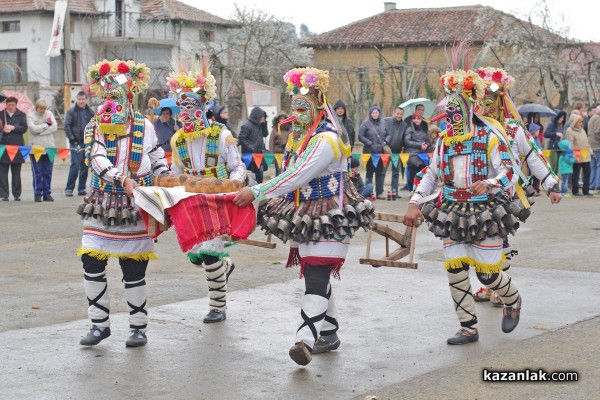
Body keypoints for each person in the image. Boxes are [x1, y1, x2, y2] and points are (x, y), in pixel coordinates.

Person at [233, 67, 373, 366]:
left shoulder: (326, 140)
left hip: (333, 213)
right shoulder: (300, 140)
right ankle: (330, 332)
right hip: (306, 213)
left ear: (318, 107)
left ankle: (304, 340)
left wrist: (258, 192)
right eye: (294, 108)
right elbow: (288, 175)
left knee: (316, 272)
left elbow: (297, 175)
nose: (296, 114)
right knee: (315, 271)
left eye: (303, 108)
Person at [404, 64, 522, 345]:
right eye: (449, 111)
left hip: (485, 211)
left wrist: (490, 184)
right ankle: (468, 327)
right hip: (452, 212)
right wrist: (414, 202)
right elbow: (431, 174)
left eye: (458, 110)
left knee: (488, 274)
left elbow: (509, 172)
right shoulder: (444, 143)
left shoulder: (490, 137)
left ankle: (513, 300)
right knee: (455, 271)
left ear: (470, 109)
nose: (453, 116)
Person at [76, 59, 170, 347]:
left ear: (130, 94)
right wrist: (121, 178)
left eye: (115, 97)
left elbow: (156, 159)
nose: (109, 103)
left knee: (134, 266)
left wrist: (168, 180)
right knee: (91, 258)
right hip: (102, 202)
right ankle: (99, 324)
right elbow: (96, 158)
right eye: (106, 97)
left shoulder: (145, 125)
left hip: (136, 204)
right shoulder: (95, 125)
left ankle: (138, 327)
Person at [471, 66, 560, 304]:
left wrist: (551, 184)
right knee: (479, 238)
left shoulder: (513, 129)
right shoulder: (472, 128)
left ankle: (502, 287)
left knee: (501, 238)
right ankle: (487, 284)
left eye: (492, 98)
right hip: (474, 195)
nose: (486, 103)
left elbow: (534, 155)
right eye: (482, 98)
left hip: (503, 194)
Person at [167, 56, 245, 323]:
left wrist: (234, 187)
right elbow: (175, 173)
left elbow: (237, 167)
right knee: (197, 257)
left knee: (210, 253)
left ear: (204, 106)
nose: (186, 112)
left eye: (191, 105)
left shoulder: (222, 135)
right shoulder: (177, 141)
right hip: (192, 201)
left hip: (218, 200)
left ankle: (217, 306)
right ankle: (226, 266)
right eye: (182, 106)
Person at [64, 91, 94, 197]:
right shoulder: (71, 111)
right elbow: (67, 126)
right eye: (79, 99)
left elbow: (94, 126)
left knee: (85, 165)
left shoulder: (90, 112)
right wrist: (73, 139)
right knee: (75, 165)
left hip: (87, 143)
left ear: (86, 100)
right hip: (75, 143)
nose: (81, 101)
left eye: (83, 99)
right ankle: (69, 188)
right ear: (77, 99)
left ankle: (81, 188)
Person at [27, 99, 57, 202]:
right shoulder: (30, 116)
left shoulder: (49, 114)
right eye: (40, 108)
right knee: (38, 172)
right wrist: (45, 125)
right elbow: (33, 129)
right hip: (36, 148)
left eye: (44, 108)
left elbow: (54, 127)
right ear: (36, 107)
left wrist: (41, 132)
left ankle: (47, 193)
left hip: (49, 147)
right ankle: (37, 193)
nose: (42, 111)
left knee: (48, 172)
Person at [358, 105, 389, 199]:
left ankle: (380, 192)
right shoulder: (365, 123)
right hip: (369, 152)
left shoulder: (383, 123)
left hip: (381, 153)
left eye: (376, 112)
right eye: (373, 113)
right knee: (369, 173)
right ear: (370, 114)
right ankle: (369, 193)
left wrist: (386, 141)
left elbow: (389, 134)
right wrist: (369, 143)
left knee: (380, 173)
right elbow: (360, 136)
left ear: (379, 113)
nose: (375, 114)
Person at [0, 96, 28, 201]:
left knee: (16, 172)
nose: (11, 107)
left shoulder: (22, 115)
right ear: (6, 105)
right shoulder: (1, 114)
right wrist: (3, 129)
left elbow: (24, 128)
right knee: (2, 173)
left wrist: (13, 128)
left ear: (16, 105)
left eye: (13, 105)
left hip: (17, 147)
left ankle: (16, 194)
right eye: (9, 105)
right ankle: (4, 194)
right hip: (3, 147)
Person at [566, 113, 593, 196]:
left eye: (581, 122)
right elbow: (570, 144)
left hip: (586, 155)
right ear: (574, 122)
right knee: (576, 174)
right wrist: (571, 155)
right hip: (576, 155)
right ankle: (575, 190)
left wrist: (590, 152)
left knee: (587, 173)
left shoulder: (583, 130)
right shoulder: (569, 131)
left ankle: (586, 190)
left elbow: (586, 142)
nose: (581, 124)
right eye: (579, 122)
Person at [239, 106, 268, 183]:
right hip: (249, 155)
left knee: (260, 176)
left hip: (258, 154)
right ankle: (249, 192)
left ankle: (258, 192)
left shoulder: (259, 125)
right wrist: (251, 148)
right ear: (257, 117)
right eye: (262, 117)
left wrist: (264, 124)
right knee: (249, 177)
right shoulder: (247, 126)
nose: (263, 120)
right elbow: (241, 139)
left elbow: (265, 134)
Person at [404, 107, 430, 191]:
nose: (416, 120)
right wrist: (419, 145)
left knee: (423, 174)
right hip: (413, 155)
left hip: (423, 155)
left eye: (418, 119)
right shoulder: (409, 129)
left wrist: (426, 145)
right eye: (415, 119)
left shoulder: (424, 129)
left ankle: (421, 190)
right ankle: (412, 189)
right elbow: (407, 141)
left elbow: (428, 140)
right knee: (413, 174)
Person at [383, 106, 407, 197]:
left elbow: (405, 137)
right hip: (386, 151)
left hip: (397, 152)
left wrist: (404, 148)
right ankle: (380, 191)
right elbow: (381, 133)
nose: (399, 116)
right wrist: (384, 145)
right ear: (394, 113)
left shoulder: (404, 125)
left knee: (396, 173)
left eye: (401, 114)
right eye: (397, 113)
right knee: (383, 172)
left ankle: (395, 191)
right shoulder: (386, 120)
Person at [586, 105, 600, 190]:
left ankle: (592, 185)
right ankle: (598, 185)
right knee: (598, 166)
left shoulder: (592, 118)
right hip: (597, 146)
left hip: (591, 146)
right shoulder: (598, 118)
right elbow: (598, 131)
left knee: (593, 166)